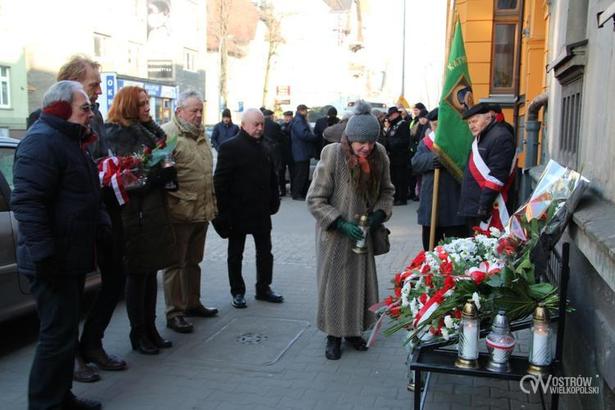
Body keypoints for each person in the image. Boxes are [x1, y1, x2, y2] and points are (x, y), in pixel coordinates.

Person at [12, 81, 104, 410]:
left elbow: (85, 193)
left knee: (65, 335)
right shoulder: (42, 142)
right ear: (60, 108)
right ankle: (45, 404)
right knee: (55, 336)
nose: (91, 113)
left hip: (70, 255)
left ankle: (60, 397)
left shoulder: (69, 141)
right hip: (53, 259)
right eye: (85, 108)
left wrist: (102, 227)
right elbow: (28, 204)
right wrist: (44, 255)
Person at [307, 100, 394, 360]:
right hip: (335, 237)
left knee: (360, 285)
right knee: (335, 286)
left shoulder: (379, 155)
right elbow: (315, 200)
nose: (365, 147)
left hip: (363, 235)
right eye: (360, 143)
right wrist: (339, 222)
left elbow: (387, 192)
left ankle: (354, 331)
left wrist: (379, 214)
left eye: (370, 142)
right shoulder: (333, 154)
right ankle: (333, 336)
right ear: (350, 138)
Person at [104, 86, 178, 355]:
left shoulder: (151, 130)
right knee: (137, 275)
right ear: (127, 107)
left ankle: (151, 328)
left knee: (151, 273)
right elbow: (126, 177)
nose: (148, 108)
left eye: (148, 103)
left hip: (152, 211)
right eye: (142, 104)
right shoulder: (118, 133)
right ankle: (139, 333)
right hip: (134, 215)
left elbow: (158, 162)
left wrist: (167, 172)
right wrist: (154, 177)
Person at [213, 108, 283, 309]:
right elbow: (220, 182)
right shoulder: (230, 147)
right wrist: (222, 213)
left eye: (262, 124)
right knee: (236, 254)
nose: (260, 128)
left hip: (261, 210)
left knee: (265, 251)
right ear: (243, 125)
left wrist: (274, 200)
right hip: (237, 211)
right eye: (256, 124)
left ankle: (264, 287)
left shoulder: (266, 146)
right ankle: (237, 291)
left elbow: (272, 176)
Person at [161, 91, 218, 334]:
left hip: (201, 210)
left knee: (194, 261)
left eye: (200, 111)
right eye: (193, 110)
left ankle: (192, 303)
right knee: (175, 264)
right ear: (179, 111)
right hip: (179, 212)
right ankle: (174, 312)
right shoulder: (168, 135)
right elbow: (163, 176)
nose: (198, 115)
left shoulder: (201, 135)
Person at [412, 108, 467, 250]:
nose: (436, 128)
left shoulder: (458, 141)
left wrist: (446, 159)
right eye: (433, 124)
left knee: (454, 251)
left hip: (453, 204)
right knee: (430, 250)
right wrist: (432, 159)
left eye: (438, 124)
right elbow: (415, 162)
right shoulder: (426, 142)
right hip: (431, 204)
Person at [459, 102, 516, 230]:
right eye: (469, 123)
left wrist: (483, 207)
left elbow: (497, 176)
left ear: (489, 116)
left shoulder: (501, 136)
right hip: (475, 206)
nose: (472, 126)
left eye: (475, 121)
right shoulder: (484, 135)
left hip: (487, 209)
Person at [290, 104, 318, 200]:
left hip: (301, 151)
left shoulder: (299, 120)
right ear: (301, 110)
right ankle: (297, 194)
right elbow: (303, 134)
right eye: (306, 110)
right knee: (301, 174)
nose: (307, 112)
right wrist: (315, 137)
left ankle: (300, 193)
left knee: (302, 174)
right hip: (301, 152)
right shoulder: (299, 121)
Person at [385, 106, 411, 205]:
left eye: (391, 115)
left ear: (396, 114)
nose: (389, 118)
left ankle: (401, 198)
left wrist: (392, 143)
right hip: (393, 156)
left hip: (401, 156)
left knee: (401, 178)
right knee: (394, 178)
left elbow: (405, 140)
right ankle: (396, 197)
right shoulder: (392, 125)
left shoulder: (403, 124)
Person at [278, 110, 294, 196]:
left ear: (292, 117)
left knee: (292, 173)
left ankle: (292, 190)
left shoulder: (294, 125)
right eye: (285, 116)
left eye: (288, 116)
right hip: (282, 153)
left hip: (291, 152)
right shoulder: (281, 126)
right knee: (281, 173)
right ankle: (282, 190)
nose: (287, 118)